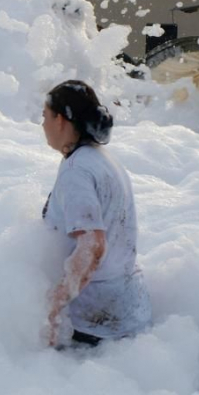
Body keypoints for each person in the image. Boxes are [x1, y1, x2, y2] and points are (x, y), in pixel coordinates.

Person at [42, 80, 151, 348]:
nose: (42, 125)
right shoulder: (101, 157)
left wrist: (56, 304)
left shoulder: (77, 171)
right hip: (129, 310)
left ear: (61, 120)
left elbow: (92, 245)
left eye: (44, 116)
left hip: (94, 325)